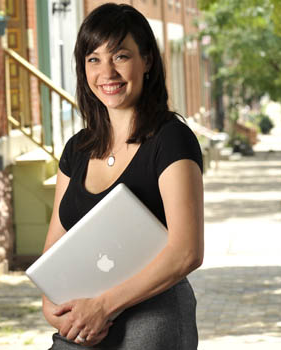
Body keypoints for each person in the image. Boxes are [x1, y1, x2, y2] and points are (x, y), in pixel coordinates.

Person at [41, 3, 204, 349]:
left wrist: (104, 306)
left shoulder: (170, 140)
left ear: (146, 61)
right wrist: (54, 308)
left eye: (120, 56)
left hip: (153, 318)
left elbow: (187, 251)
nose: (107, 73)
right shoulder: (76, 150)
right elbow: (54, 252)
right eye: (94, 59)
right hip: (84, 325)